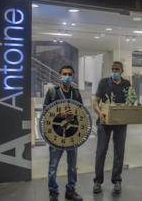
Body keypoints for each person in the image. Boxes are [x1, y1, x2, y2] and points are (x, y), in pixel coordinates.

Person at [43, 65, 83, 201]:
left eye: (70, 74)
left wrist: (73, 116)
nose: (67, 76)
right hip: (56, 135)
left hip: (73, 135)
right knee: (53, 167)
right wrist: (59, 115)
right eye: (64, 74)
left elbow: (82, 113)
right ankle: (53, 192)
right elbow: (45, 113)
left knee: (72, 166)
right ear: (59, 76)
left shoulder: (76, 93)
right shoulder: (52, 92)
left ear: (73, 76)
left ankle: (70, 190)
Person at [92, 61, 131, 194]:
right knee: (101, 151)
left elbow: (130, 102)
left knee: (119, 152)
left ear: (122, 71)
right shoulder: (103, 82)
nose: (114, 71)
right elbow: (96, 102)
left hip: (120, 123)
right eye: (112, 69)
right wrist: (99, 113)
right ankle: (97, 180)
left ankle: (117, 180)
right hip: (104, 122)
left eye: (116, 69)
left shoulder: (127, 84)